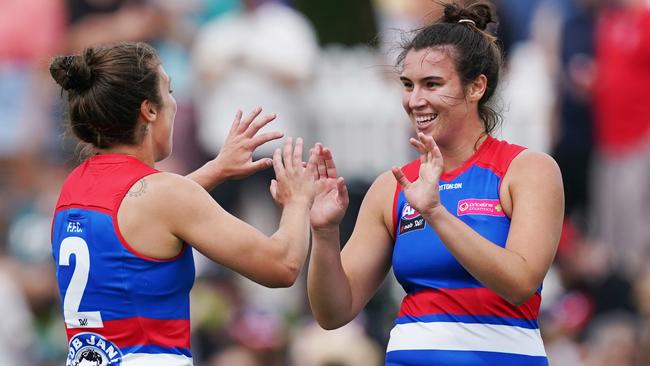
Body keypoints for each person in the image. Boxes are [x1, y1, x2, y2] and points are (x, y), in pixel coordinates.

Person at [306, 2, 564, 365]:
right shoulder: (393, 185)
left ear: (476, 87)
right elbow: (333, 313)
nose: (415, 101)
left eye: (432, 84)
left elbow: (519, 283)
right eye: (408, 85)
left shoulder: (527, 170)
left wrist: (435, 212)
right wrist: (324, 232)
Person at [49, 42, 316, 365]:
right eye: (169, 90)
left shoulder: (73, 186)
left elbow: (143, 213)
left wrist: (214, 169)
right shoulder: (166, 196)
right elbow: (282, 265)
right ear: (149, 110)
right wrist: (298, 201)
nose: (175, 103)